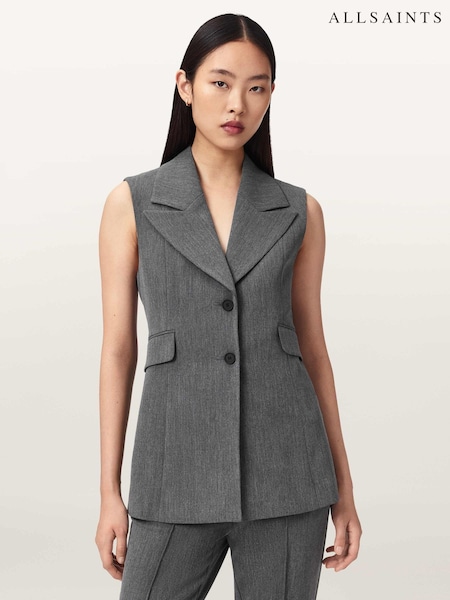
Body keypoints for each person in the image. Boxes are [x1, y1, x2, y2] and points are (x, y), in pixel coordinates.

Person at [95, 13, 362, 600]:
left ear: (270, 95)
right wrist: (110, 492)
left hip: (289, 477)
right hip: (172, 473)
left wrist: (344, 489)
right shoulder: (133, 203)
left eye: (256, 87)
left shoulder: (299, 212)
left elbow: (314, 352)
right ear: (185, 86)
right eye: (220, 82)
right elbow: (118, 350)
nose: (237, 103)